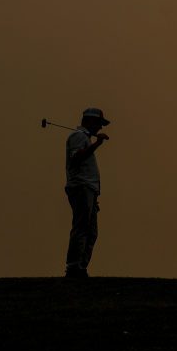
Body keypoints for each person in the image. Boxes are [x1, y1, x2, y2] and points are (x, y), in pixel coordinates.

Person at [64, 107, 111, 279]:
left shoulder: (84, 138)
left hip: (88, 189)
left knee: (91, 231)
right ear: (90, 121)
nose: (100, 128)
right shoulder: (78, 137)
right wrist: (97, 144)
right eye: (99, 123)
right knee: (82, 228)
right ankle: (74, 267)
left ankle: (80, 267)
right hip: (81, 187)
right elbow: (76, 158)